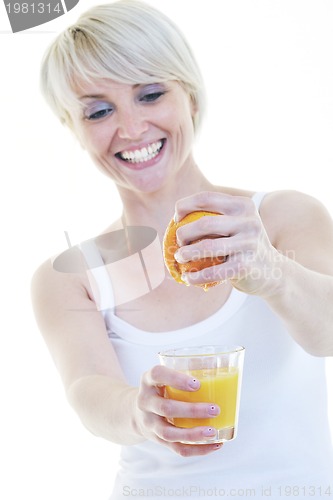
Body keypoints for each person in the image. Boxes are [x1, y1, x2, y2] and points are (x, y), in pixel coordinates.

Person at [31, 1, 333, 498]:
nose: (130, 129)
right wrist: (138, 411)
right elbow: (86, 393)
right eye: (99, 110)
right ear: (74, 128)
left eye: (150, 95)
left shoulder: (282, 219)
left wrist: (271, 271)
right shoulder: (69, 277)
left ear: (190, 97)